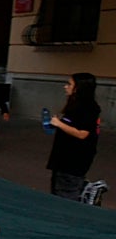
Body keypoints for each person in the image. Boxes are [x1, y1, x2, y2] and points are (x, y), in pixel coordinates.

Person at [46, 72, 101, 202]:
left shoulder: (89, 108)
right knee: (58, 190)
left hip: (73, 161)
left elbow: (83, 133)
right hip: (62, 159)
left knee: (66, 195)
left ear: (79, 88)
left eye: (69, 84)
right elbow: (72, 125)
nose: (66, 87)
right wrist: (59, 123)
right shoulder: (74, 105)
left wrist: (59, 124)